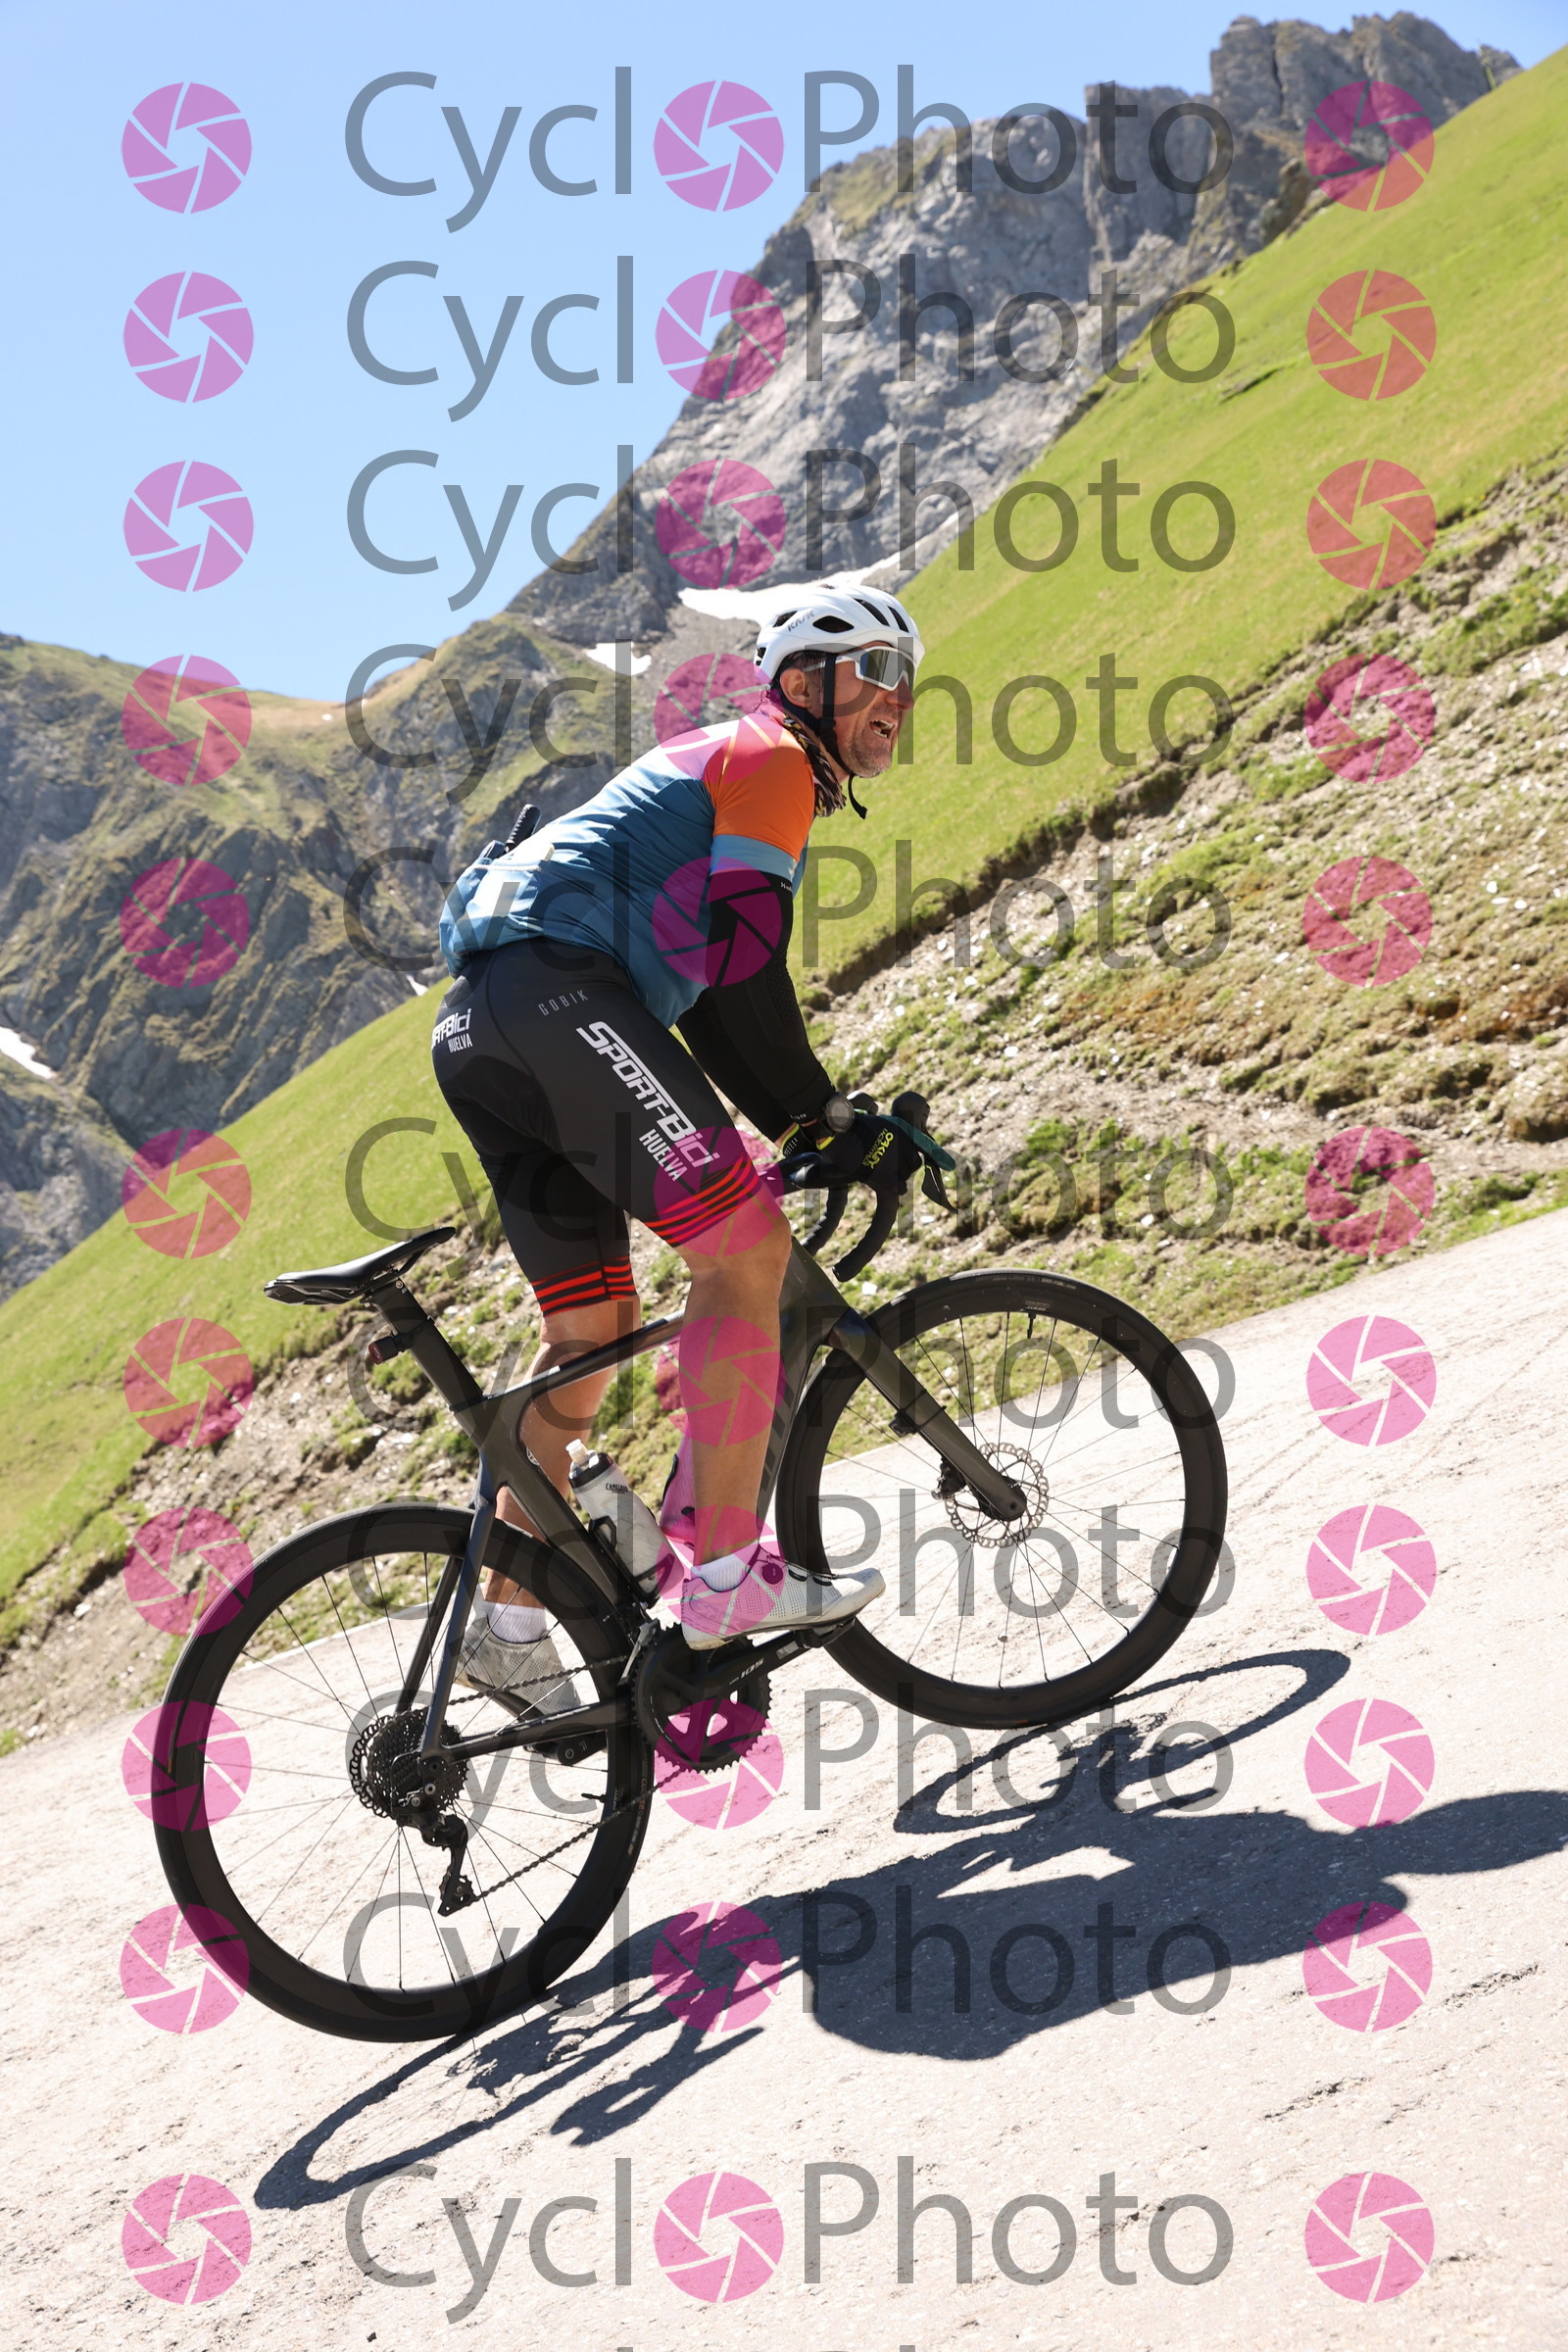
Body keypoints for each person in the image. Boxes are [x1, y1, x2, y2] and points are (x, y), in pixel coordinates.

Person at [430, 587, 925, 1711]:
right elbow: (745, 972)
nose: (897, 696)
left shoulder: (719, 769)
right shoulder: (772, 760)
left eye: (906, 676)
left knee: (592, 1332)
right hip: (560, 1003)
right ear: (805, 682)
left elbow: (707, 1002)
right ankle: (726, 1575)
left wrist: (807, 1120)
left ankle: (506, 1624)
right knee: (744, 1255)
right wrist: (823, 1118)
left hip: (479, 1029)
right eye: (876, 670)